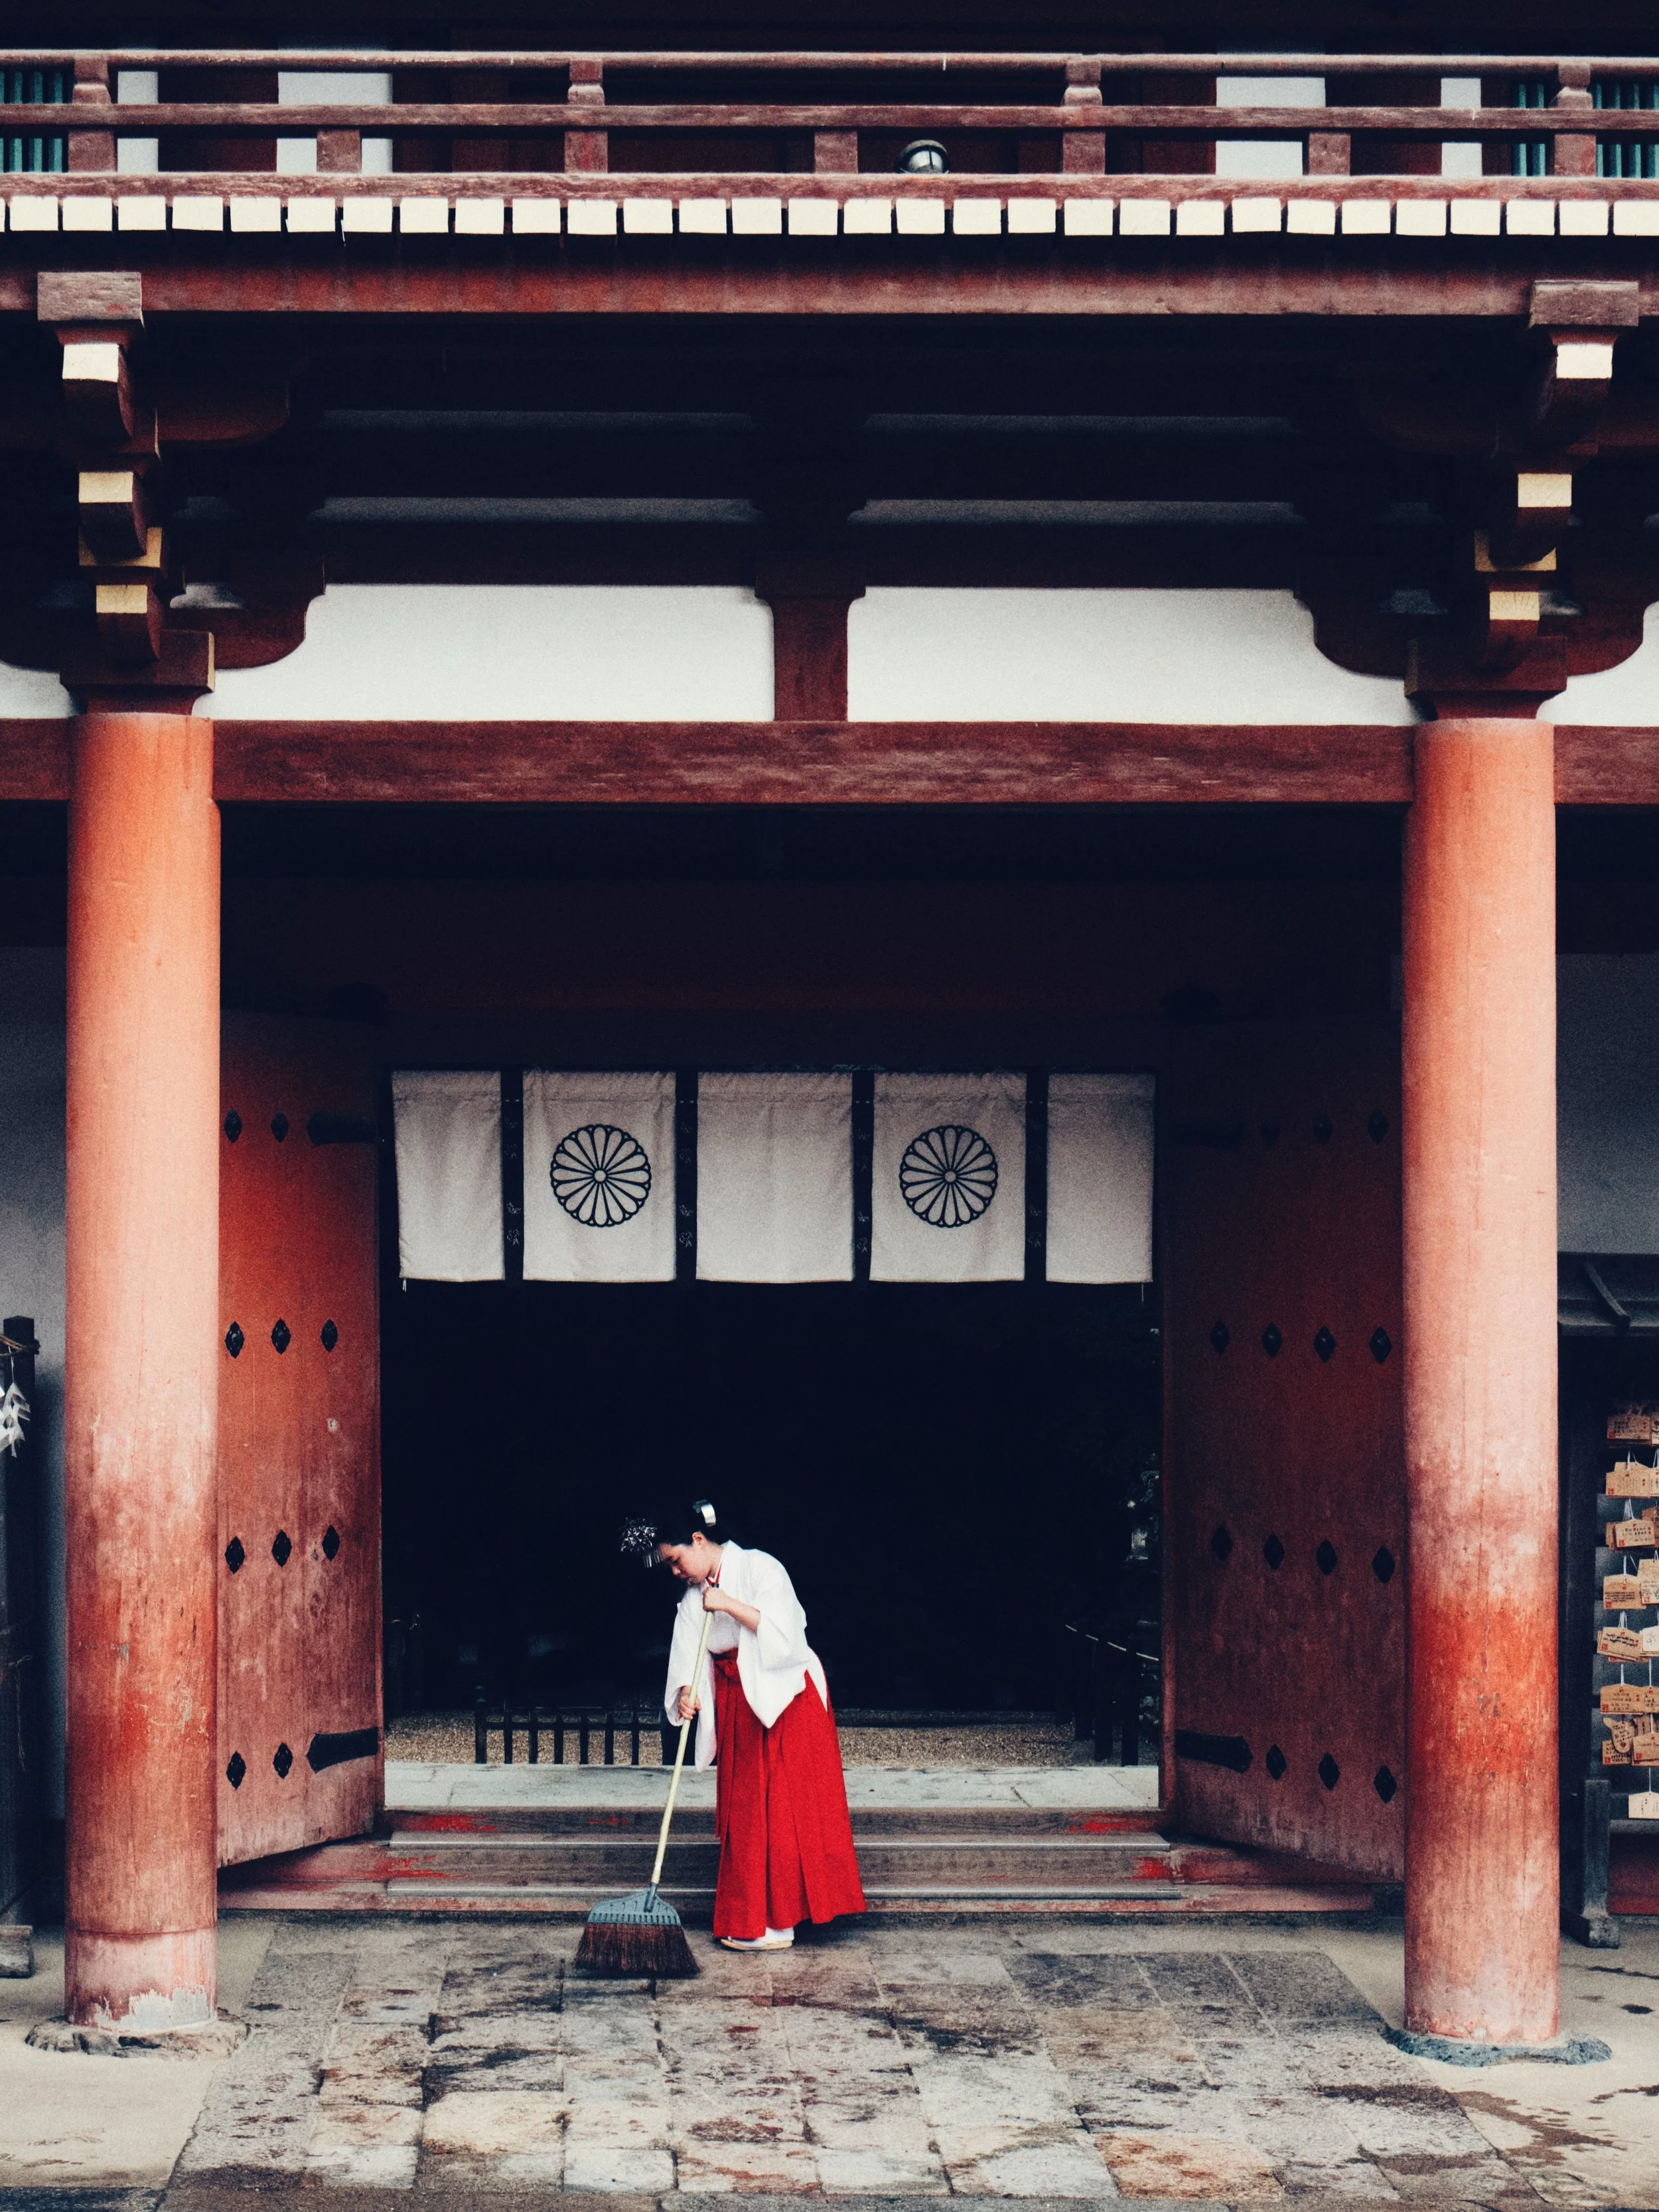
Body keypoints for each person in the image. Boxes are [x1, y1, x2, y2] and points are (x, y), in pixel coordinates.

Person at [650, 1498, 865, 1952]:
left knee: (785, 1807)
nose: (675, 1571)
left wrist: (727, 1602)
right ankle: (755, 1917)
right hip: (737, 1701)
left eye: (676, 1559)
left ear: (699, 1539)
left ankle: (780, 1922)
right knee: (748, 1809)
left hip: (788, 1698)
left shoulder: (761, 1568)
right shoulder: (692, 1599)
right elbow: (687, 1658)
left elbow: (787, 1636)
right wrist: (687, 1694)